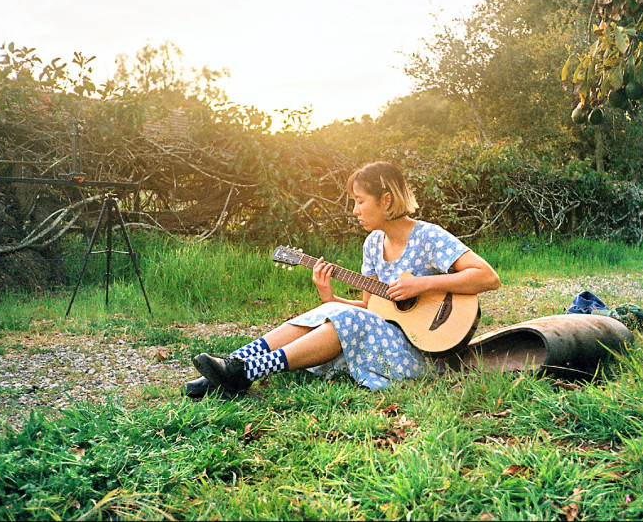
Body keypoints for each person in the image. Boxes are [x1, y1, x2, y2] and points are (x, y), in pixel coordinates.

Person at [184, 161, 500, 397]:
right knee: (329, 313)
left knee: (345, 318)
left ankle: (243, 373)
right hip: (384, 338)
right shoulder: (373, 244)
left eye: (360, 201)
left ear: (386, 200)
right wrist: (330, 298)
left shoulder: (429, 237)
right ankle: (229, 367)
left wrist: (423, 284)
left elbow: (487, 277)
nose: (354, 210)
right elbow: (369, 309)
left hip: (423, 353)